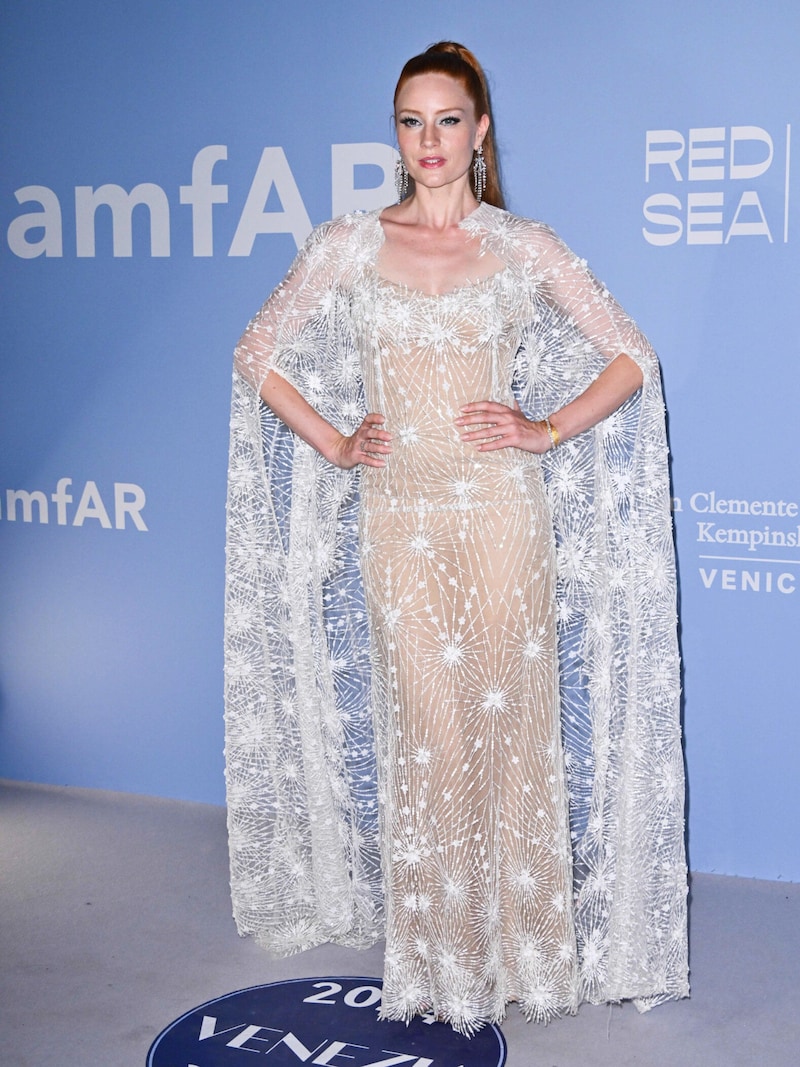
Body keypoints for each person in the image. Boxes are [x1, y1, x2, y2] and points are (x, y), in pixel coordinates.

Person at [224, 42, 688, 1035]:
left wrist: (544, 427)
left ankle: (519, 953)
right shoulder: (348, 242)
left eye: (445, 120)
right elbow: (255, 352)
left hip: (500, 513)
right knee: (428, 734)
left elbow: (629, 355)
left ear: (478, 132)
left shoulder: (521, 244)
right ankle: (440, 960)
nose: (427, 140)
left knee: (507, 732)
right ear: (393, 133)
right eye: (409, 120)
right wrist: (337, 441)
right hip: (399, 515)